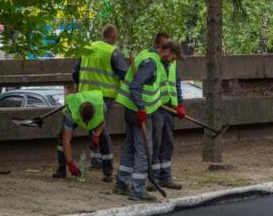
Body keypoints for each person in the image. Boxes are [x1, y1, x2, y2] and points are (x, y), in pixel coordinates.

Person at [114, 41, 183, 201]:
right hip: (139, 111)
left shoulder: (147, 55)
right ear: (167, 51)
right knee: (144, 151)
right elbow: (135, 86)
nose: (173, 60)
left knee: (130, 147)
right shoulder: (151, 63)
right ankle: (137, 190)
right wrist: (141, 108)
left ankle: (121, 184)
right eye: (173, 57)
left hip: (132, 109)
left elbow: (149, 89)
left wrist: (175, 105)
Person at [71, 24, 128, 182]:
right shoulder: (113, 52)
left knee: (92, 125)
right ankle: (107, 168)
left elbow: (75, 73)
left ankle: (96, 160)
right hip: (104, 96)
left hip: (85, 94)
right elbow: (125, 74)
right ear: (114, 37)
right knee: (103, 129)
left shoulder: (87, 48)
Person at [149, 32, 185, 191]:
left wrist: (180, 104)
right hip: (157, 107)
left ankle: (166, 177)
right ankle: (153, 178)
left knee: (168, 143)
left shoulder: (172, 62)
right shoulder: (153, 60)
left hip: (170, 108)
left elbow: (176, 83)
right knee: (156, 143)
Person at [52, 90, 106, 180]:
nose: (86, 124)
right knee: (61, 137)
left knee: (104, 136)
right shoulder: (72, 112)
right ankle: (61, 170)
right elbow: (66, 141)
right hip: (73, 112)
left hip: (96, 107)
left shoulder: (101, 106)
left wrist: (97, 135)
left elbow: (102, 122)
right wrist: (70, 164)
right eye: (84, 121)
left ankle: (107, 172)